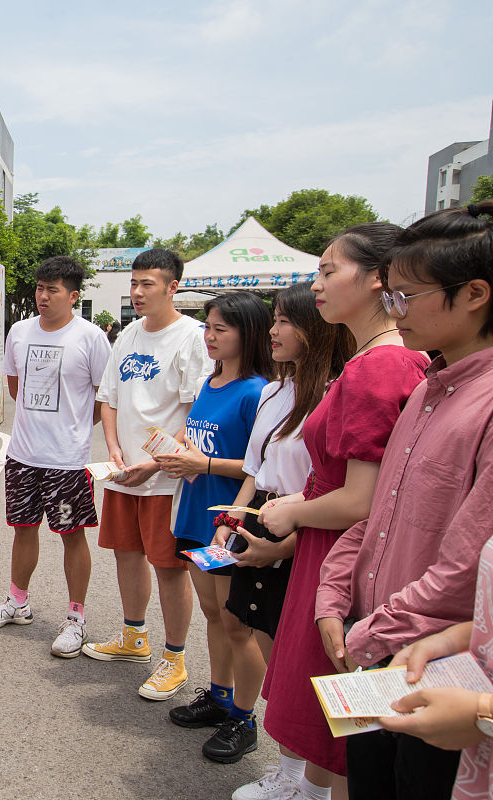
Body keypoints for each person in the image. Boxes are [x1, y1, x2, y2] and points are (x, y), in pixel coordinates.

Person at [314, 201, 493, 800]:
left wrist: (369, 631)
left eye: (406, 296)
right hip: (380, 650)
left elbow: (465, 567)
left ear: (474, 294)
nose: (395, 312)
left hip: (443, 672)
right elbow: (378, 516)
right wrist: (335, 595)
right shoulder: (427, 390)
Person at [248, 222, 428, 800]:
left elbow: (363, 499)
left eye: (329, 271)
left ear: (378, 279)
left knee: (339, 705)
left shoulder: (380, 366)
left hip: (342, 549)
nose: (316, 285)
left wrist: (294, 512)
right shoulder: (374, 360)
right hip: (331, 542)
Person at [202, 284, 350, 784]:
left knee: (298, 660)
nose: (273, 330)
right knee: (257, 636)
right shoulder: (272, 390)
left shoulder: (335, 392)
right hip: (262, 521)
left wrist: (283, 546)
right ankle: (287, 770)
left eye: (284, 320)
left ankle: (305, 781)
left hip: (304, 530)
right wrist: (231, 521)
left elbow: (340, 492)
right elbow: (255, 470)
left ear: (314, 329)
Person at [84, 248, 214, 702]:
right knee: (125, 553)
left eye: (148, 285)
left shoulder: (193, 337)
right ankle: (133, 637)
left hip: (167, 475)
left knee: (169, 567)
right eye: (134, 284)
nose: (137, 293)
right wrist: (116, 450)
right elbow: (110, 396)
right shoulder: (128, 335)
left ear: (172, 287)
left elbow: (201, 406)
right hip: (124, 470)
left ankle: (175, 658)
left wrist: (156, 461)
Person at [154, 292, 274, 758]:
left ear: (250, 333)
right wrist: (176, 449)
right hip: (194, 516)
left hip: (229, 521)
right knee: (212, 614)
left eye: (221, 328)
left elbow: (259, 464)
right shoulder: (210, 381)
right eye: (207, 326)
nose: (209, 335)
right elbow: (196, 435)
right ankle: (220, 696)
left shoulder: (257, 391)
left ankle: (244, 719)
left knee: (237, 623)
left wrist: (202, 464)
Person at [0, 256, 111, 657]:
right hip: (22, 454)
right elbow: (16, 388)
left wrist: (74, 432)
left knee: (71, 535)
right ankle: (17, 602)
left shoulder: (89, 338)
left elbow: (104, 399)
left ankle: (76, 619)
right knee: (22, 528)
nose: (43, 296)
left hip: (67, 460)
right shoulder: (18, 332)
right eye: (39, 287)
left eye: (53, 289)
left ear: (72, 295)